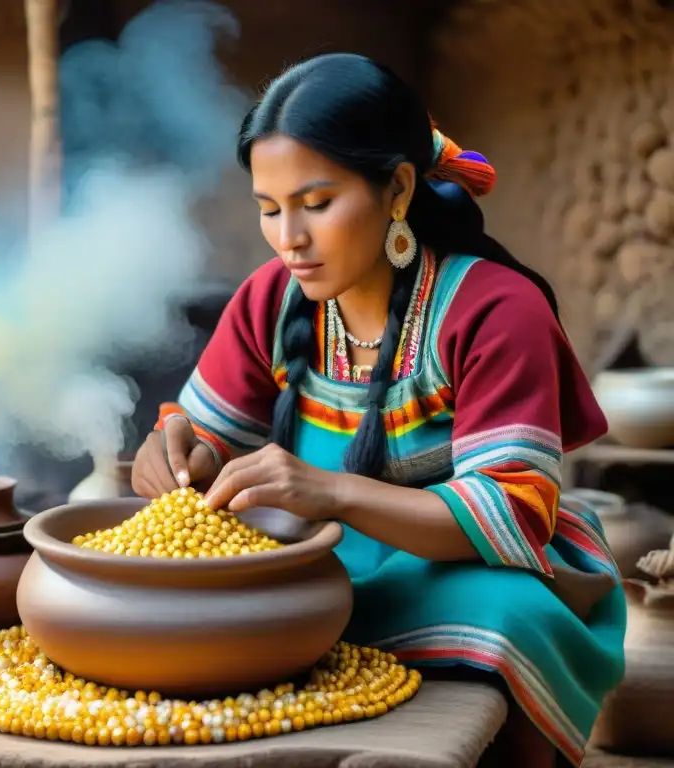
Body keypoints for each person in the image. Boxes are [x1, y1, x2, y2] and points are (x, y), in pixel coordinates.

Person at [131, 53, 625, 768]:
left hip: (464, 573)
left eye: (316, 203)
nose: (288, 238)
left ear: (396, 187)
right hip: (314, 567)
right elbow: (208, 437)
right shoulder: (271, 299)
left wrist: (328, 489)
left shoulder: (493, 310)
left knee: (508, 620)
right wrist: (181, 452)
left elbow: (511, 513)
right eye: (269, 209)